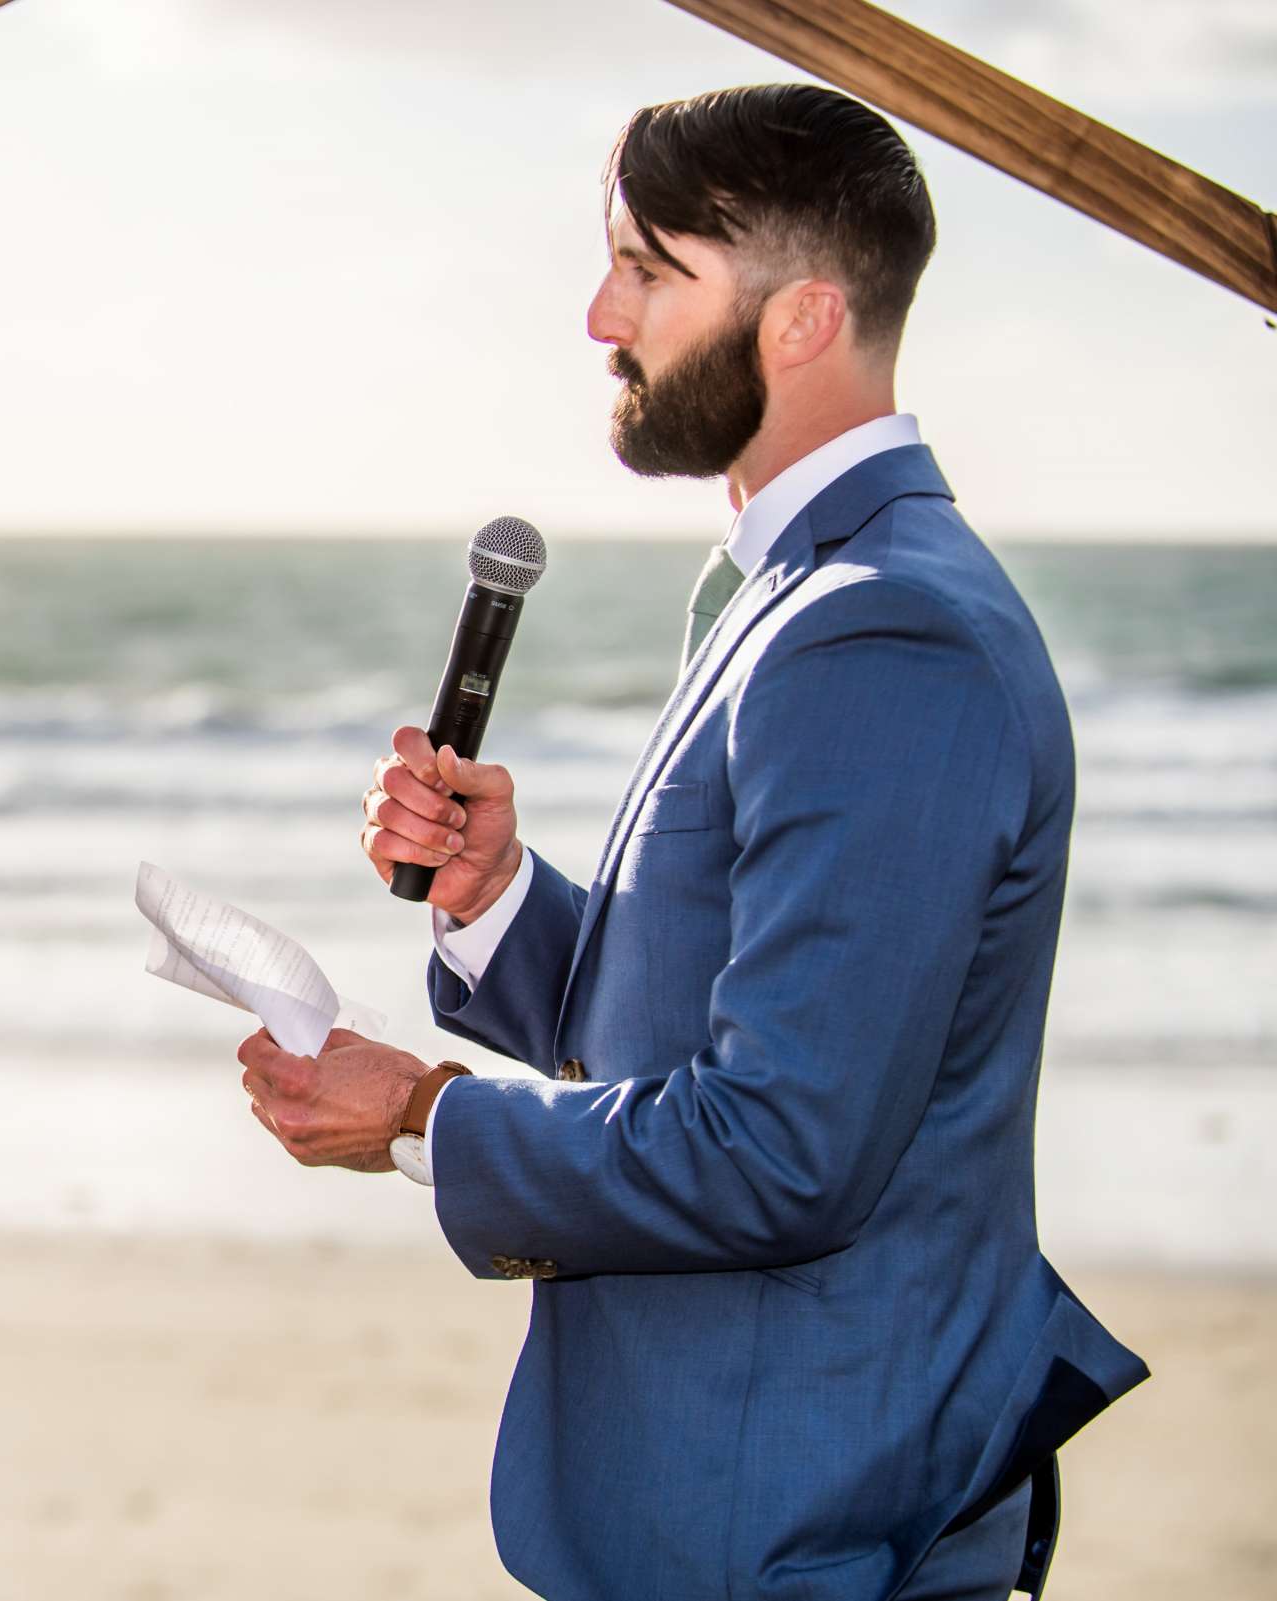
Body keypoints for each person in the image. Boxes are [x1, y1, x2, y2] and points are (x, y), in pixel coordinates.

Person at [235, 84, 1146, 1599]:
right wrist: (501, 902)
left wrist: (425, 1115)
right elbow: (715, 1012)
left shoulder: (883, 630)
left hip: (799, 1520)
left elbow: (787, 1146)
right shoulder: (800, 587)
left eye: (649, 269)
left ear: (800, 320)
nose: (603, 311)